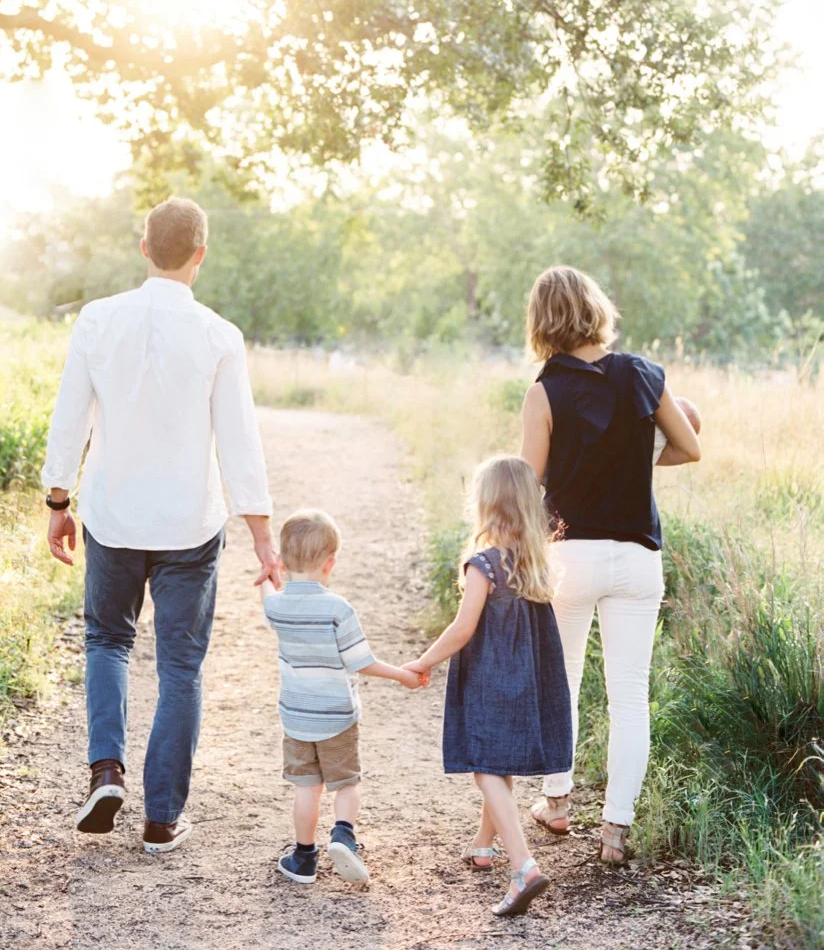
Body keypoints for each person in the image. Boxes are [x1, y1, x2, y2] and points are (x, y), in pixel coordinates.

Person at [41, 196, 280, 855]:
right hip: (188, 527)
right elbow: (239, 441)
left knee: (107, 642)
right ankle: (162, 817)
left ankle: (105, 770)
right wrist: (262, 532)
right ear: (200, 255)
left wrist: (58, 502)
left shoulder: (96, 320)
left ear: (144, 247)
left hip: (112, 516)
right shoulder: (218, 335)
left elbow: (70, 418)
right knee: (180, 667)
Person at [520, 265, 701, 865]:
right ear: (596, 309)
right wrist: (637, 462)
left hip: (569, 554)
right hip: (637, 557)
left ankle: (557, 802)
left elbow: (528, 482)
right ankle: (616, 831)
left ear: (543, 321)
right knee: (629, 695)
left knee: (562, 683)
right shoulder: (644, 375)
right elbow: (689, 446)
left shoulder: (544, 390)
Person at [404, 457, 572, 918]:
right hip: (530, 681)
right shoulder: (534, 563)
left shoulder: (484, 565)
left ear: (485, 503)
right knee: (501, 763)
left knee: (485, 768)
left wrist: (421, 662)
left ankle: (523, 866)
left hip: (493, 678)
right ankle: (484, 845)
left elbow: (462, 630)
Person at [262, 509, 427, 886]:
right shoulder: (338, 609)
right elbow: (361, 662)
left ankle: (304, 858)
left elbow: (268, 591)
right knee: (346, 782)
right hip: (337, 716)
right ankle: (343, 835)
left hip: (297, 718)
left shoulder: (275, 606)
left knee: (307, 787)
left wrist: (270, 574)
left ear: (283, 562)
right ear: (330, 563)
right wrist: (402, 675)